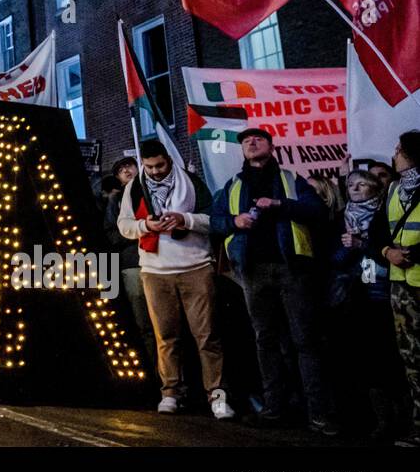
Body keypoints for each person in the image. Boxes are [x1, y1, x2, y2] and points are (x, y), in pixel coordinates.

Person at [211, 127, 338, 435]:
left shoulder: (291, 180)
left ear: (271, 145)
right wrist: (234, 222)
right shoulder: (232, 185)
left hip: (291, 269)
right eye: (246, 141)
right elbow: (214, 221)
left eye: (258, 139)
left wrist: (280, 205)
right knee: (265, 341)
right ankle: (274, 409)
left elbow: (318, 210)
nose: (251, 143)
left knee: (305, 340)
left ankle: (319, 414)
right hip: (253, 272)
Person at [117, 139, 232, 419]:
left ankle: (217, 396)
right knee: (166, 337)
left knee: (207, 336)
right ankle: (170, 392)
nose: (155, 171)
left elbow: (213, 219)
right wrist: (146, 225)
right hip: (155, 270)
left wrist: (185, 220)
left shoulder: (191, 181)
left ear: (168, 159)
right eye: (149, 167)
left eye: (160, 165)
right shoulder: (134, 188)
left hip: (195, 266)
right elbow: (124, 225)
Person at [327, 169, 405, 443]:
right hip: (350, 295)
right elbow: (333, 259)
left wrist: (364, 243)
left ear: (376, 189)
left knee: (385, 360)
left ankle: (394, 422)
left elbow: (392, 255)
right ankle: (365, 420)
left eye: (363, 184)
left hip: (380, 293)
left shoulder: (386, 215)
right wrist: (348, 247)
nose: (356, 188)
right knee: (358, 361)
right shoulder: (340, 218)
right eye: (351, 184)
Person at [372, 131, 420, 447]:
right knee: (413, 361)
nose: (395, 153)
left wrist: (411, 254)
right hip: (401, 289)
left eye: (399, 148)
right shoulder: (393, 190)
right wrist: (388, 252)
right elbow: (378, 231)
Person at [103, 156, 154, 375]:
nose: (126, 170)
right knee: (144, 322)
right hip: (134, 263)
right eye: (121, 169)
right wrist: (141, 230)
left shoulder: (152, 191)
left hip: (163, 262)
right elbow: (112, 234)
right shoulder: (116, 202)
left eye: (129, 166)